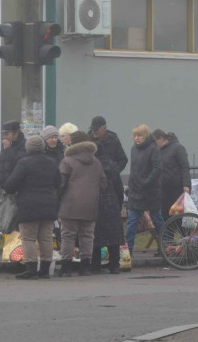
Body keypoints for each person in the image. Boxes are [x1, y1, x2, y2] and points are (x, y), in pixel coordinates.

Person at [3, 134, 61, 279]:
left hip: (28, 205)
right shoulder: (52, 162)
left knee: (28, 238)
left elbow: (10, 185)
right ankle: (45, 270)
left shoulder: (24, 163)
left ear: (28, 148)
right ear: (42, 147)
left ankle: (31, 269)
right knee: (46, 238)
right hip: (49, 204)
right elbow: (58, 182)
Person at [57, 130, 107, 276]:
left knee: (68, 235)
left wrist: (59, 198)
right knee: (87, 236)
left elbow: (61, 183)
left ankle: (66, 267)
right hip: (91, 204)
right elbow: (104, 184)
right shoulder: (96, 162)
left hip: (70, 204)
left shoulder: (67, 161)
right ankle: (85, 267)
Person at [89, 116, 128, 274]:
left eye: (96, 129)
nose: (94, 132)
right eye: (93, 129)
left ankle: (96, 265)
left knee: (97, 235)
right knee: (112, 235)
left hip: (98, 199)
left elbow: (123, 159)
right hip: (110, 199)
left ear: (104, 129)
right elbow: (119, 188)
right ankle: (114, 265)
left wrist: (112, 173)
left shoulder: (113, 140)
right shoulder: (89, 138)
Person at [125, 124, 163, 254]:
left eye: (139, 135)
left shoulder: (153, 149)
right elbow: (133, 170)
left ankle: (165, 245)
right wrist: (130, 185)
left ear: (146, 136)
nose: (136, 138)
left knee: (157, 219)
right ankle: (128, 250)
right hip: (136, 191)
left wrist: (147, 182)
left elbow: (157, 168)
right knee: (132, 221)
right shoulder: (133, 149)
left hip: (150, 191)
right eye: (135, 135)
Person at [153, 129, 191, 218]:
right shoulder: (159, 151)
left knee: (180, 216)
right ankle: (167, 232)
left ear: (161, 138)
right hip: (164, 190)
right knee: (166, 215)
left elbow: (184, 166)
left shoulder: (178, 148)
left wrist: (186, 184)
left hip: (177, 189)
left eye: (155, 141)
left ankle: (184, 232)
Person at [0, 119, 26, 187]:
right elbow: (1, 162)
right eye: (4, 134)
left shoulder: (24, 145)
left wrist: (8, 148)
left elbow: (17, 163)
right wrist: (0, 179)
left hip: (17, 186)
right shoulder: (5, 144)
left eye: (7, 134)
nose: (4, 137)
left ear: (16, 134)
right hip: (4, 185)